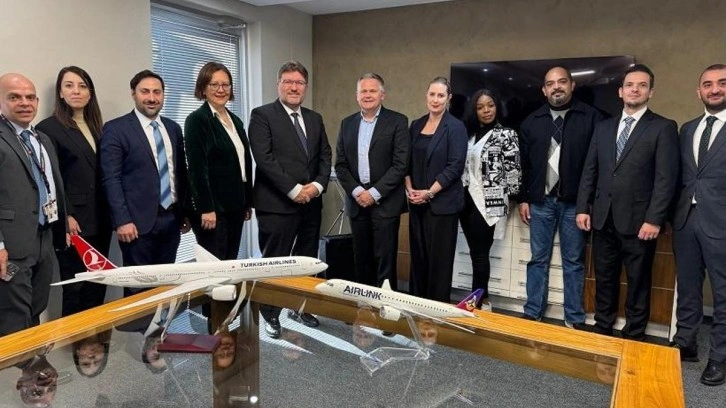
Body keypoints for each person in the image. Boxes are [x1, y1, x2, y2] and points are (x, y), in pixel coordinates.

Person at [576, 64, 679, 340]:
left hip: (640, 222)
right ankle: (603, 326)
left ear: (651, 92)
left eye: (642, 85)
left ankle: (634, 333)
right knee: (604, 277)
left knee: (638, 281)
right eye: (630, 85)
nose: (635, 89)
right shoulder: (603, 127)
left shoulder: (663, 128)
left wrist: (654, 219)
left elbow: (666, 179)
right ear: (620, 91)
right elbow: (590, 170)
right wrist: (583, 207)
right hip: (603, 218)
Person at [248, 61, 332, 338]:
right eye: (288, 81)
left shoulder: (315, 118)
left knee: (306, 261)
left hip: (311, 205)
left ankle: (300, 307)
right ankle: (270, 314)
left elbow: (325, 156)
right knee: (275, 263)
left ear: (305, 87)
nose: (294, 87)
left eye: (299, 82)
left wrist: (317, 186)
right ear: (279, 85)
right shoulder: (262, 116)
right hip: (277, 205)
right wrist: (295, 190)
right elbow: (265, 159)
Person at [518, 66, 604, 328]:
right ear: (544, 90)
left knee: (574, 262)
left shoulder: (592, 119)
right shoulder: (531, 122)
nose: (556, 87)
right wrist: (524, 198)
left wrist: (588, 203)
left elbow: (597, 165)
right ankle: (533, 311)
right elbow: (525, 166)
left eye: (562, 81)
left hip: (575, 205)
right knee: (538, 260)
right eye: (550, 83)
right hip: (540, 203)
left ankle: (574, 317)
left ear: (572, 86)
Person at [99, 70, 189, 297]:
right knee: (138, 290)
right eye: (145, 92)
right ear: (133, 94)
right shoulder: (116, 129)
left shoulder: (173, 128)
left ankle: (162, 322)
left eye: (157, 92)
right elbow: (111, 178)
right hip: (136, 225)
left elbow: (180, 173)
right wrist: (122, 220)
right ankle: (140, 323)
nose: (151, 98)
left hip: (171, 220)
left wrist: (185, 213)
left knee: (166, 287)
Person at [36, 66, 111, 316]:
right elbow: (49, 178)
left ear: (90, 93)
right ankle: (75, 339)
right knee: (75, 286)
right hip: (74, 221)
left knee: (99, 282)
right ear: (60, 92)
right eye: (69, 85)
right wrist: (65, 215)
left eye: (82, 86)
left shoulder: (99, 127)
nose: (76, 91)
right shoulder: (48, 128)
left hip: (101, 218)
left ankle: (96, 336)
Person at [671, 63, 726, 386]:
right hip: (686, 220)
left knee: (723, 292)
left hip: (721, 222)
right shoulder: (688, 129)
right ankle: (686, 342)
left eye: (722, 83)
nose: (715, 89)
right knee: (688, 287)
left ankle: (718, 357)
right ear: (699, 91)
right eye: (708, 84)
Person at [0, 73, 67, 337]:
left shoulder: (42, 139)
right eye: (14, 97)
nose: (25, 103)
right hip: (11, 244)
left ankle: (31, 361)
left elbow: (51, 185)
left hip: (44, 237)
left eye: (30, 97)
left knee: (36, 307)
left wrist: (62, 226)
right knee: (14, 316)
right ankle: (16, 362)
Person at [334, 73, 409, 290]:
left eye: (372, 91)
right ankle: (363, 305)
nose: (367, 95)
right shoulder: (347, 124)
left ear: (382, 95)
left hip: (385, 203)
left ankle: (385, 306)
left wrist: (374, 193)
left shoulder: (398, 121)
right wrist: (358, 192)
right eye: (363, 91)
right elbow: (341, 165)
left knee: (385, 261)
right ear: (357, 96)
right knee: (361, 260)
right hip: (357, 202)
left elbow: (400, 164)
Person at [405, 76, 467, 302]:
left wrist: (430, 192)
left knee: (439, 263)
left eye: (441, 95)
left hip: (442, 205)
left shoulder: (456, 127)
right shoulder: (416, 125)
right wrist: (410, 189)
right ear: (426, 95)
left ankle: (436, 311)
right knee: (418, 259)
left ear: (449, 98)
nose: (435, 99)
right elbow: (406, 161)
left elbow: (455, 166)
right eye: (432, 94)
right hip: (416, 203)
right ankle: (415, 305)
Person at [184, 62, 252, 260]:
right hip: (213, 211)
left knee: (230, 263)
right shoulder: (197, 120)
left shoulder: (235, 120)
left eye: (225, 85)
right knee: (215, 266)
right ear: (203, 88)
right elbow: (197, 169)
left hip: (235, 206)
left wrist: (247, 202)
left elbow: (243, 164)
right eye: (214, 84)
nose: (221, 90)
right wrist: (206, 208)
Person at [460, 89, 521, 310]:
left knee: (480, 254)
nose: (486, 110)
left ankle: (479, 302)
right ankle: (479, 298)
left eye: (490, 105)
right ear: (474, 110)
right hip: (466, 200)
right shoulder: (468, 135)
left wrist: (512, 199)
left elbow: (513, 172)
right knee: (475, 253)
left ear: (497, 107)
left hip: (489, 203)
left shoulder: (506, 134)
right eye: (480, 107)